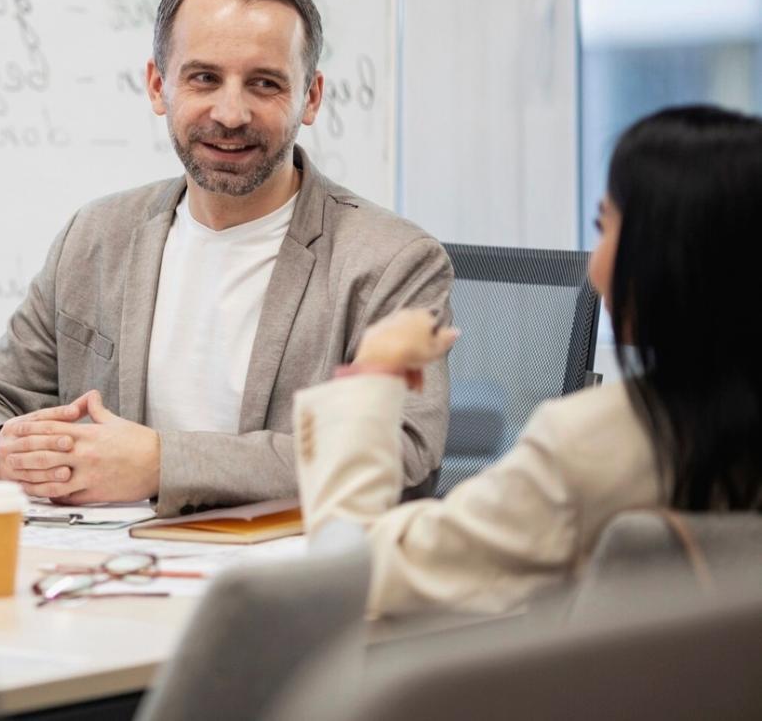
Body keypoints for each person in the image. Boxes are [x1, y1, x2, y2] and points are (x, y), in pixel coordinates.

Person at [0, 0, 452, 517]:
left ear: (311, 98)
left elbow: (399, 453)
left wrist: (162, 463)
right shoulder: (97, 235)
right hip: (102, 570)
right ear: (159, 86)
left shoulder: (393, 260)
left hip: (279, 582)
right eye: (204, 78)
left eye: (265, 83)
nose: (230, 114)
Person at [297, 105, 762, 617]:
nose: (595, 262)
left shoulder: (594, 446)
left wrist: (374, 370)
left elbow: (354, 579)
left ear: (666, 256)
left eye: (604, 228)